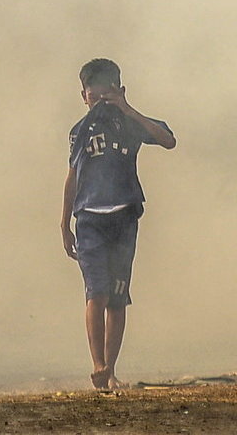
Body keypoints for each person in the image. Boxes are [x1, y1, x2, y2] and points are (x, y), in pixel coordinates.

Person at [60, 58, 175, 390]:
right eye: (93, 98)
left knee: (118, 296)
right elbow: (72, 176)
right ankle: (97, 364)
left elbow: (168, 140)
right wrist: (64, 223)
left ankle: (109, 370)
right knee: (95, 291)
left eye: (106, 97)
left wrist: (127, 109)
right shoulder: (80, 132)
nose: (99, 104)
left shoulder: (129, 123)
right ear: (83, 96)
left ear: (119, 91)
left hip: (124, 216)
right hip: (90, 219)